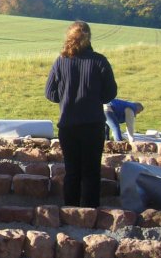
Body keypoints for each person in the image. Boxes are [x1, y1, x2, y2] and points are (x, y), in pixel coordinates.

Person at [45, 21, 117, 208]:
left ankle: (71, 211)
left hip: (68, 123)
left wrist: (66, 96)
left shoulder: (60, 61)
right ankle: (90, 213)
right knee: (91, 172)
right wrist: (94, 97)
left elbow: (49, 93)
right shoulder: (100, 61)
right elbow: (110, 93)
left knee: (72, 171)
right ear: (89, 37)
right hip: (93, 124)